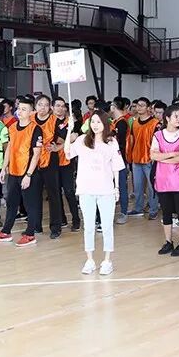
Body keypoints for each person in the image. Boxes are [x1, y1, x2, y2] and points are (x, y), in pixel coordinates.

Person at [67, 110, 125, 275]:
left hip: (106, 190)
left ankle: (107, 260)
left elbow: (116, 167)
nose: (95, 125)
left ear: (105, 124)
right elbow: (68, 153)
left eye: (99, 122)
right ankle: (90, 260)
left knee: (107, 226)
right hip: (86, 190)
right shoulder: (82, 140)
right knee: (89, 226)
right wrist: (69, 131)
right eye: (93, 121)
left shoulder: (111, 142)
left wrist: (116, 188)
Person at [0, 97, 43, 246]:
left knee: (30, 204)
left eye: (24, 109)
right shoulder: (12, 128)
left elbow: (36, 154)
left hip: (29, 173)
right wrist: (3, 168)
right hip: (13, 172)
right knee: (11, 203)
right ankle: (6, 232)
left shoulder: (35, 129)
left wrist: (29, 175)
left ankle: (30, 234)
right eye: (19, 108)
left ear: (31, 112)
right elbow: (9, 149)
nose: (20, 111)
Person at [151, 103, 179, 257]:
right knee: (166, 212)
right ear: (167, 118)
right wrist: (172, 154)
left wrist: (163, 158)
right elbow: (153, 155)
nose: (178, 119)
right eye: (175, 116)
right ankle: (168, 241)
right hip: (162, 180)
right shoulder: (158, 135)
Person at [33, 94, 65, 239]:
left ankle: (56, 227)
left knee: (53, 194)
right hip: (33, 161)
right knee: (34, 194)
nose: (43, 107)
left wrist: (58, 147)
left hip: (50, 160)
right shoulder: (30, 119)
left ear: (50, 107)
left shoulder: (55, 121)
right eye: (40, 104)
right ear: (35, 106)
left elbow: (67, 138)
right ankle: (35, 225)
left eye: (46, 105)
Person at [126, 97, 160, 220]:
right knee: (138, 186)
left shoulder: (155, 123)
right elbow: (131, 141)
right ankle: (138, 208)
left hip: (149, 159)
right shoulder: (134, 122)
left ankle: (153, 209)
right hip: (136, 159)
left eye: (142, 105)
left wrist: (155, 157)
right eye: (137, 105)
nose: (139, 108)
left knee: (152, 186)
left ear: (148, 108)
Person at [53, 97, 81, 232]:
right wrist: (67, 139)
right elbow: (54, 139)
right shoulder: (49, 122)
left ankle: (76, 219)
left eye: (62, 106)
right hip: (53, 161)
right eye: (57, 105)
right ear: (53, 108)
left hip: (67, 161)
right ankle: (61, 218)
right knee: (56, 192)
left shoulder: (70, 122)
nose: (60, 108)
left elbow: (76, 137)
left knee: (69, 191)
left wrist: (68, 138)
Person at [109, 99, 131, 225]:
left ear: (114, 107)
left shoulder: (122, 123)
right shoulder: (115, 122)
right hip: (111, 159)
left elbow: (120, 143)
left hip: (119, 159)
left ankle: (123, 212)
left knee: (121, 186)